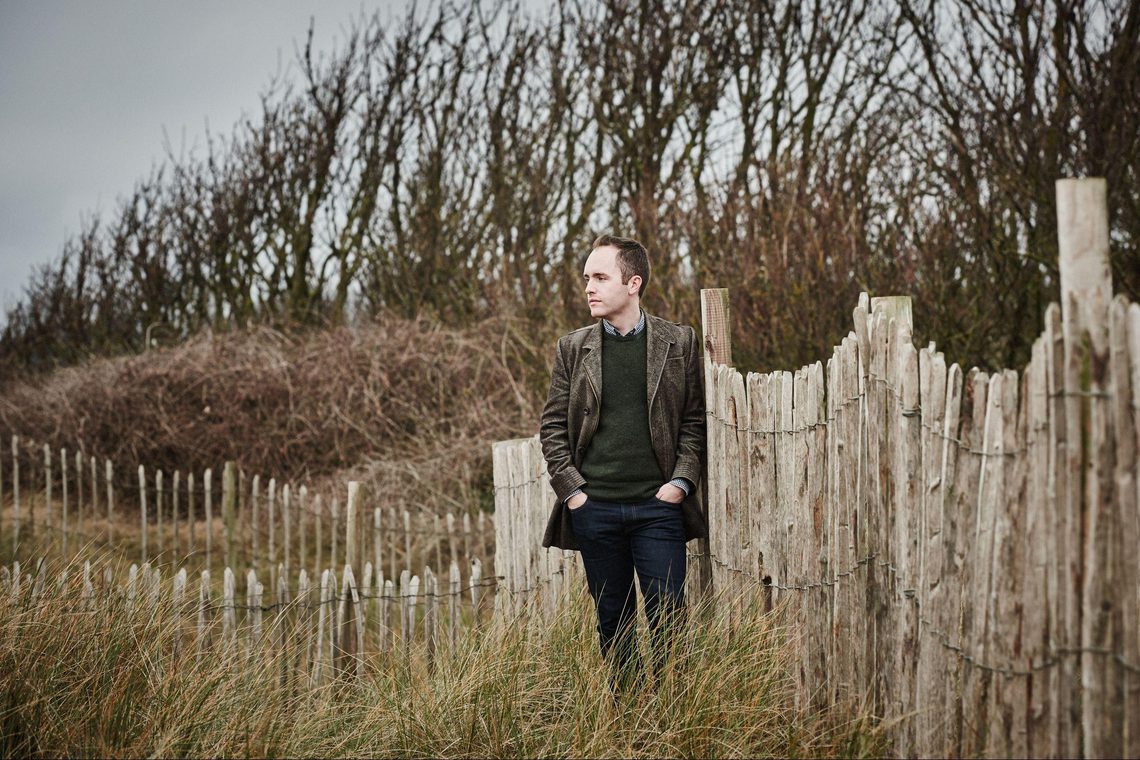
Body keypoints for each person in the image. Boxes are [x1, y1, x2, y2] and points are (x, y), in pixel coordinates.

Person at [539, 233, 707, 692]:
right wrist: (573, 493)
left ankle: (677, 718)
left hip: (659, 508)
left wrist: (681, 482)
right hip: (596, 510)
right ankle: (628, 719)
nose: (588, 287)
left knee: (669, 617)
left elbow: (694, 421)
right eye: (586, 278)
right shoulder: (572, 348)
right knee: (613, 623)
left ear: (633, 283)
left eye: (599, 277)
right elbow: (552, 427)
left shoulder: (679, 342)